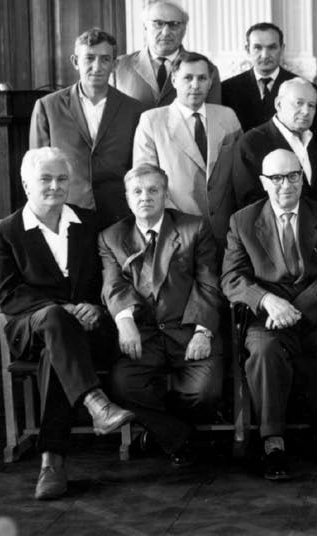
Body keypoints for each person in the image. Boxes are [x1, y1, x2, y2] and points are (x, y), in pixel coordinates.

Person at [0, 147, 134, 500]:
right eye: (46, 179)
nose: (55, 186)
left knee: (57, 350)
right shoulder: (4, 233)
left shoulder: (91, 223)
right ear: (26, 184)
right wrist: (63, 309)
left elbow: (110, 278)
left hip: (89, 329)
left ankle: (52, 462)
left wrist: (96, 308)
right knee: (55, 320)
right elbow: (7, 296)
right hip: (30, 328)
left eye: (62, 179)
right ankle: (95, 403)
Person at [222, 149, 317, 481]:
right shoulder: (243, 221)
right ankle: (273, 444)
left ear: (302, 178)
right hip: (267, 317)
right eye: (277, 178)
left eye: (293, 176)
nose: (286, 185)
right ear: (264, 182)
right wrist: (267, 300)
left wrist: (298, 310)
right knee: (264, 351)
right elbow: (232, 278)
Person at [98, 164, 223, 467]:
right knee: (122, 384)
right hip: (143, 337)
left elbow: (208, 283)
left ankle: (158, 433)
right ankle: (180, 438)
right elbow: (113, 285)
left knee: (204, 392)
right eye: (137, 192)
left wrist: (203, 331)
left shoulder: (194, 228)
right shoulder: (111, 237)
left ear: (166, 195)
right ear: (127, 198)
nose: (145, 197)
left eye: (154, 190)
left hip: (188, 331)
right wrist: (125, 321)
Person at [29, 28, 146, 225]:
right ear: (75, 61)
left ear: (115, 64)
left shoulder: (135, 110)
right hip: (65, 212)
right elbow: (37, 168)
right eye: (89, 58)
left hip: (119, 214)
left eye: (105, 59)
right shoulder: (48, 107)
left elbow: (139, 168)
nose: (97, 67)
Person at [132, 52, 242, 244]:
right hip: (178, 232)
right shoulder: (152, 121)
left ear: (210, 82)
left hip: (226, 230)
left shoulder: (228, 117)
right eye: (188, 78)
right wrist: (175, 225)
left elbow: (241, 174)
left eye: (202, 78)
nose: (195, 85)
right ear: (174, 80)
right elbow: (146, 182)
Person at [232, 78, 317, 208]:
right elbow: (251, 205)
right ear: (278, 104)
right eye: (299, 103)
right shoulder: (251, 143)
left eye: (311, 105)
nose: (306, 111)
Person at [112, 0, 222, 108]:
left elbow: (213, 115)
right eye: (158, 24)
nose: (166, 32)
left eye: (174, 24)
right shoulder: (119, 66)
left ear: (184, 29)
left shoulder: (206, 68)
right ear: (145, 26)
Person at [221, 23, 301, 132]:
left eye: (272, 48)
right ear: (247, 49)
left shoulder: (303, 86)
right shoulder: (227, 89)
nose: (265, 55)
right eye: (257, 48)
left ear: (282, 49)